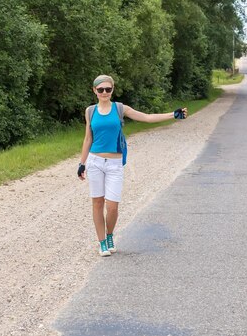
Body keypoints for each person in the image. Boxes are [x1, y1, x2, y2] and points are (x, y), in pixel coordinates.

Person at [77, 74, 188, 257]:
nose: (104, 92)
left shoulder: (120, 108)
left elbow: (146, 117)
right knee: (97, 202)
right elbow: (88, 138)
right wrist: (82, 163)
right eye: (100, 89)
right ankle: (102, 242)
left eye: (108, 89)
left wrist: (173, 115)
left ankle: (110, 235)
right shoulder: (90, 111)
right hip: (95, 161)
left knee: (112, 206)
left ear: (112, 90)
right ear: (94, 91)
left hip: (114, 163)